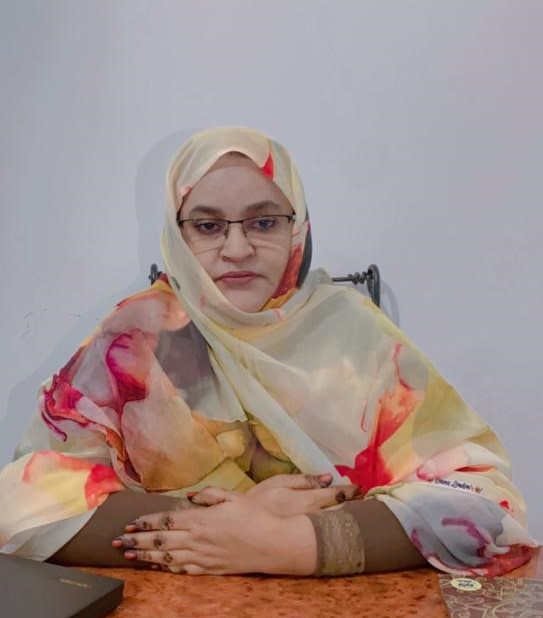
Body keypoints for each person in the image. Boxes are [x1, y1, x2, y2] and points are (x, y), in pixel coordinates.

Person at [0, 127, 536, 577]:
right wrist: (222, 522)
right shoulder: (136, 338)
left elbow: (483, 501)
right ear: (177, 236)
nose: (237, 249)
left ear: (297, 227)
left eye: (263, 222)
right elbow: (21, 509)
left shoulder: (355, 336)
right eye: (207, 226)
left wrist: (294, 543)